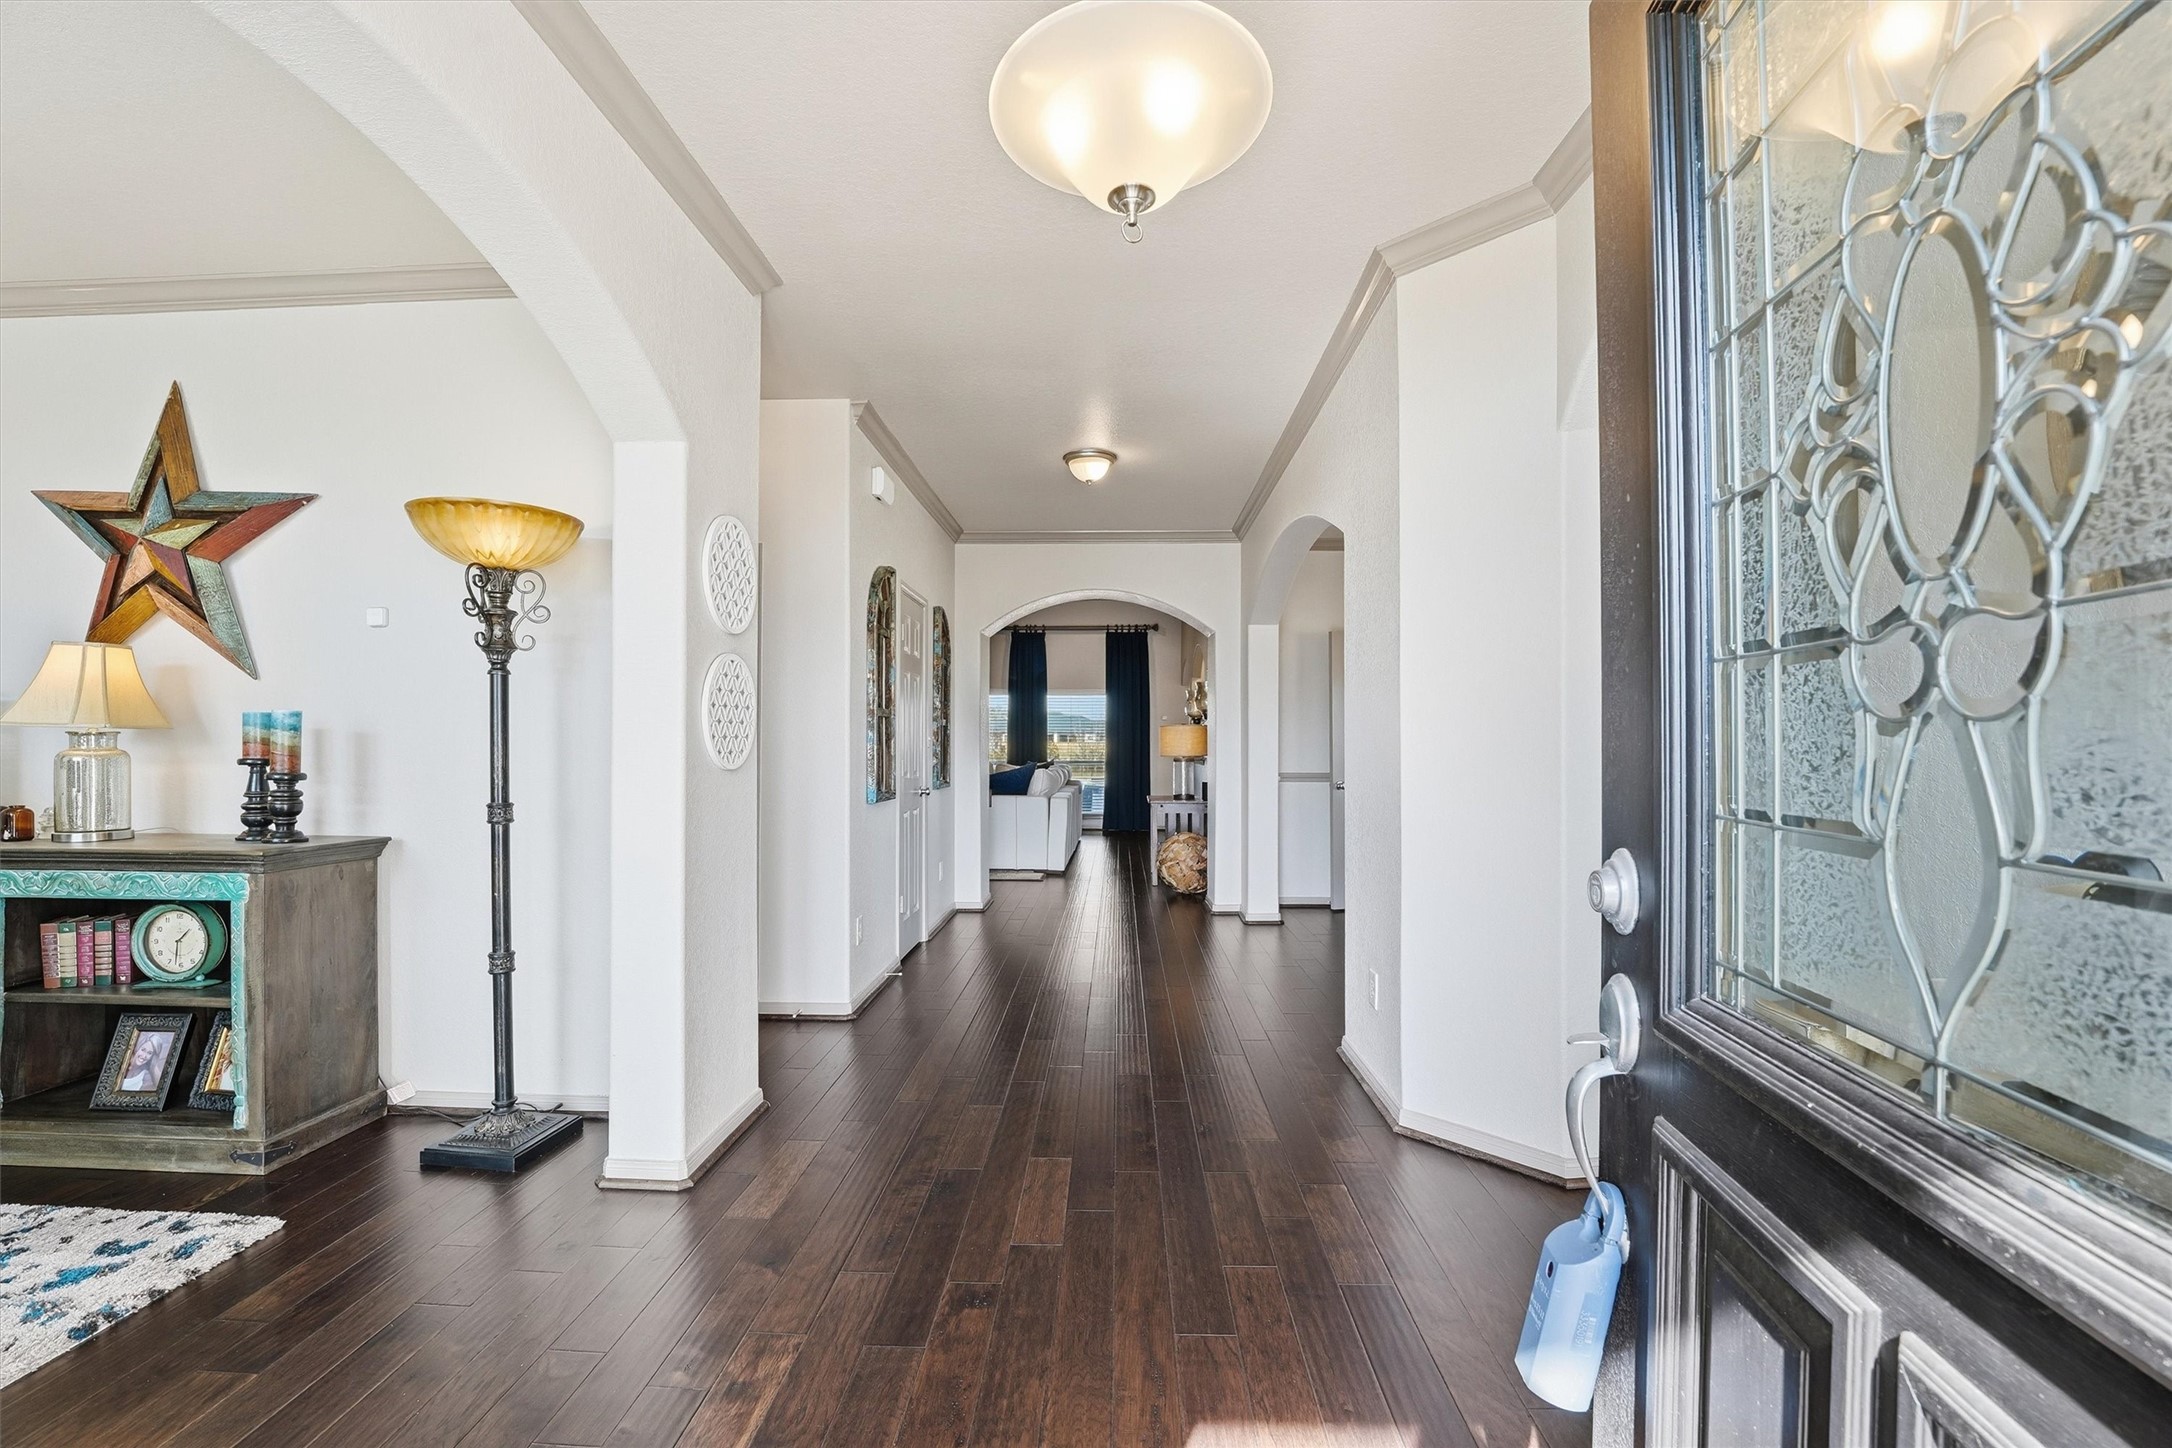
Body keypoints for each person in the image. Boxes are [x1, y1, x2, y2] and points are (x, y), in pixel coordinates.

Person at [119, 1029, 173, 1093]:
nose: (144, 1056)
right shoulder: (123, 1062)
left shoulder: (145, 1074)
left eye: (149, 1053)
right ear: (138, 1048)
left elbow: (162, 1088)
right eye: (143, 1050)